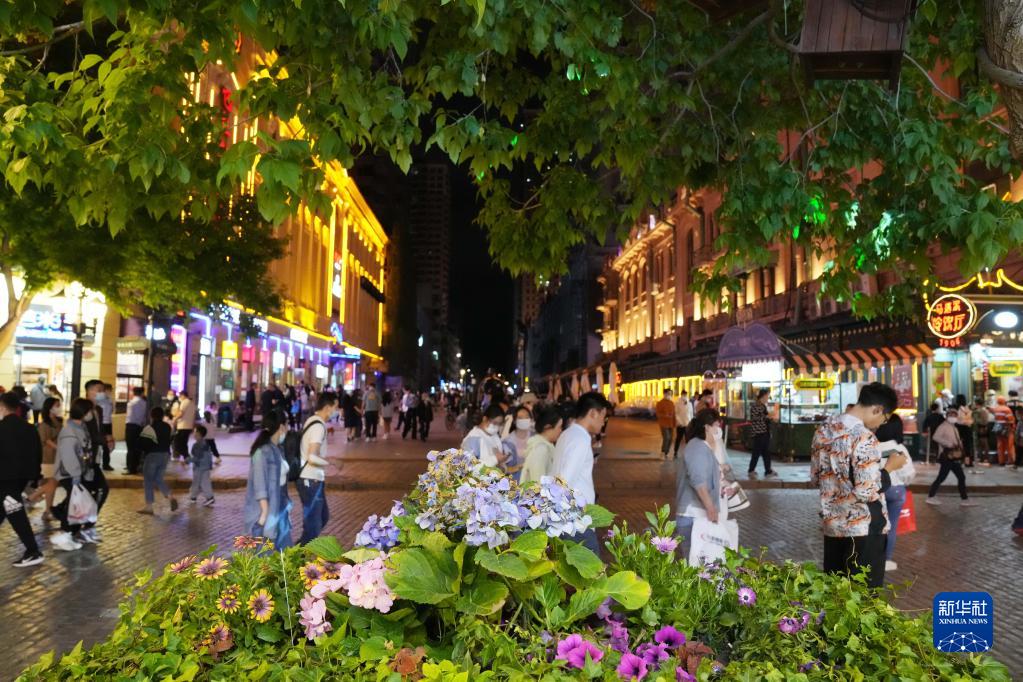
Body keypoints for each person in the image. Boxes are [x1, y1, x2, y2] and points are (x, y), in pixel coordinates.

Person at [809, 383, 907, 589]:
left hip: (833, 525)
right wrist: (889, 468)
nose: (882, 423)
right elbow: (866, 490)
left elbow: (816, 478)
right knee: (863, 596)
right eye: (884, 418)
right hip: (863, 526)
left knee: (835, 595)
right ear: (877, 409)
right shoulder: (864, 437)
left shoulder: (823, 430)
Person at [553, 392, 611, 554]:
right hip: (576, 521)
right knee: (591, 567)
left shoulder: (567, 433)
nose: (603, 422)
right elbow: (565, 481)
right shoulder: (581, 439)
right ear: (593, 413)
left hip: (566, 520)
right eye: (603, 416)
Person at [0, 392, 45, 566]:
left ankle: (33, 551)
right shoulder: (29, 428)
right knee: (7, 510)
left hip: (5, 479)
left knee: (15, 513)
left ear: (3, 407)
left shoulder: (2, 428)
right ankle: (32, 550)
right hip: (21, 479)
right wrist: (35, 476)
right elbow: (37, 453)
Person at [674, 408, 724, 562]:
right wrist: (711, 508)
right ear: (707, 427)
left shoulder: (704, 447)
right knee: (694, 564)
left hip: (699, 516)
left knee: (702, 565)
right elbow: (698, 481)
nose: (719, 430)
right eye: (717, 425)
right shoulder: (697, 447)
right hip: (692, 516)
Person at [244, 413, 294, 548]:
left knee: (285, 552)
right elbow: (259, 483)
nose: (288, 429)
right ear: (281, 427)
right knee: (266, 554)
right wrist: (264, 514)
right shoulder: (262, 452)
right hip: (268, 510)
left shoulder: (278, 449)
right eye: (287, 425)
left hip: (280, 506)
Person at [52, 398, 95, 548]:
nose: (91, 414)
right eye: (90, 411)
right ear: (84, 412)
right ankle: (65, 533)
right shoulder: (69, 431)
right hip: (69, 473)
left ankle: (69, 532)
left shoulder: (81, 427)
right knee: (74, 502)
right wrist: (76, 474)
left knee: (75, 502)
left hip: (78, 472)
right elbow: (68, 455)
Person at [875, 413, 915, 573]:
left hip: (876, 490)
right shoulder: (899, 449)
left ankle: (872, 558)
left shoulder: (872, 447)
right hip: (896, 490)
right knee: (891, 526)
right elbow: (908, 473)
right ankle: (886, 560)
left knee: (875, 526)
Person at [297, 392, 337, 544]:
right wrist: (331, 462)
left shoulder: (312, 421)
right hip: (310, 479)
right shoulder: (318, 426)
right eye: (336, 407)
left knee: (322, 517)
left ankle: (298, 551)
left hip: (312, 479)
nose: (337, 411)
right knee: (313, 526)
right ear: (327, 408)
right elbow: (312, 457)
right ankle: (296, 554)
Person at [927, 411, 977, 507]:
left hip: (953, 456)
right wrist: (948, 444)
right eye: (951, 415)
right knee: (942, 477)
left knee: (960, 477)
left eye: (954, 415)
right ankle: (931, 496)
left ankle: (964, 499)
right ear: (946, 416)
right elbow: (935, 437)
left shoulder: (953, 427)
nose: (953, 417)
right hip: (947, 456)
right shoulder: (943, 426)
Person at [138, 407, 179, 515]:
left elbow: (143, 444)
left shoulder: (149, 428)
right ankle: (170, 496)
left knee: (148, 480)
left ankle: (149, 506)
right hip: (165, 455)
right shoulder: (167, 427)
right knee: (159, 479)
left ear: (151, 416)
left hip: (152, 456)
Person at [81, 381, 110, 535]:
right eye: (99, 390)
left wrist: (106, 440)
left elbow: (99, 430)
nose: (102, 393)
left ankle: (84, 520)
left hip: (94, 456)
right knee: (99, 489)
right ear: (90, 391)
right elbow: (89, 434)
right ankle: (83, 521)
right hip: (85, 457)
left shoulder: (98, 409)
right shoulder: (82, 408)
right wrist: (104, 441)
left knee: (90, 489)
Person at [36, 396, 63, 524]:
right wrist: (59, 448)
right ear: (50, 407)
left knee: (52, 485)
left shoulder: (58, 421)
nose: (59, 407)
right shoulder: (44, 424)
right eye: (57, 405)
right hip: (48, 457)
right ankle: (34, 497)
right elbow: (45, 440)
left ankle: (47, 510)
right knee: (52, 483)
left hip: (57, 456)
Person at [520, 406, 562, 483]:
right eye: (559, 427)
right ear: (547, 427)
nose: (560, 431)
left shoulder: (546, 446)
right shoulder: (540, 449)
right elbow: (538, 482)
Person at [747, 388, 777, 478]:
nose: (768, 398)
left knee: (765, 452)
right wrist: (767, 416)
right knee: (757, 452)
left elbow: (762, 417)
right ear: (763, 396)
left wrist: (769, 418)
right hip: (759, 432)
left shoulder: (762, 405)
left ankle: (767, 470)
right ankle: (752, 470)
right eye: (767, 396)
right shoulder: (757, 405)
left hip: (763, 432)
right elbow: (755, 418)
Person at [502, 405, 532, 481]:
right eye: (520, 418)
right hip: (515, 483)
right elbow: (503, 468)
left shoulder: (535, 438)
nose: (524, 420)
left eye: (527, 417)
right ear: (515, 421)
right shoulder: (508, 442)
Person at [189, 424, 215, 506]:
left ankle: (208, 498)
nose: (193, 433)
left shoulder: (197, 445)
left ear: (198, 434)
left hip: (199, 467)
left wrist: (187, 460)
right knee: (203, 482)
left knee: (198, 482)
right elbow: (209, 455)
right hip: (206, 467)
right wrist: (210, 465)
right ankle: (194, 497)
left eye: (194, 432)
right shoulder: (206, 444)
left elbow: (197, 457)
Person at [125, 386, 148, 475]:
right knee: (137, 448)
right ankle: (135, 466)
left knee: (130, 448)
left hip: (131, 426)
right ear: (142, 393)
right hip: (140, 426)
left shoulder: (131, 403)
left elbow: (130, 416)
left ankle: (130, 468)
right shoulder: (144, 403)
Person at [990, 395, 1016, 466]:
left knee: (1000, 445)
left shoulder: (996, 409)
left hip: (998, 429)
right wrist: (1013, 428)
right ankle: (1011, 460)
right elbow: (1011, 420)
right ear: (1004, 401)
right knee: (1009, 445)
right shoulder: (1007, 409)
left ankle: (1001, 461)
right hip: (1007, 429)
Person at [172, 390, 197, 462]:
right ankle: (186, 457)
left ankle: (186, 456)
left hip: (182, 426)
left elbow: (181, 413)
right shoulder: (192, 403)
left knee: (177, 442)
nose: (179, 397)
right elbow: (194, 415)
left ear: (183, 395)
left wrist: (175, 419)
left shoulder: (184, 402)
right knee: (184, 443)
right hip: (189, 426)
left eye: (180, 396)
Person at [953, 394, 975, 470]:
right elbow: (971, 419)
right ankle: (967, 462)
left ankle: (958, 461)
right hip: (967, 428)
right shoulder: (968, 408)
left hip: (958, 427)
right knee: (967, 445)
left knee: (957, 445)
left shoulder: (955, 408)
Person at [654, 388, 676, 459]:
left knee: (671, 439)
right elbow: (658, 414)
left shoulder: (671, 403)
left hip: (671, 424)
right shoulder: (660, 403)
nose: (670, 395)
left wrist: (674, 423)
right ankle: (663, 452)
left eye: (671, 394)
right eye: (668, 393)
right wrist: (665, 415)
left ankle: (666, 453)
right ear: (664, 394)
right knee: (666, 437)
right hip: (663, 423)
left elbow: (674, 414)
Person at [972, 397, 993, 465]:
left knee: (981, 444)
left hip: (980, 428)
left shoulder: (978, 411)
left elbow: (976, 420)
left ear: (976, 403)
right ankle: (985, 458)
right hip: (984, 427)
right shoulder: (985, 410)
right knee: (984, 444)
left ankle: (982, 458)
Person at [672, 389, 692, 459]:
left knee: (688, 439)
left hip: (687, 424)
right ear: (681, 395)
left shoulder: (689, 403)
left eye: (685, 395)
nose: (684, 396)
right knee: (679, 439)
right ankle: (675, 452)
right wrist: (679, 422)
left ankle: (689, 452)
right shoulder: (677, 403)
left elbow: (691, 414)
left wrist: (690, 422)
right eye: (683, 395)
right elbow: (676, 413)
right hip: (680, 424)